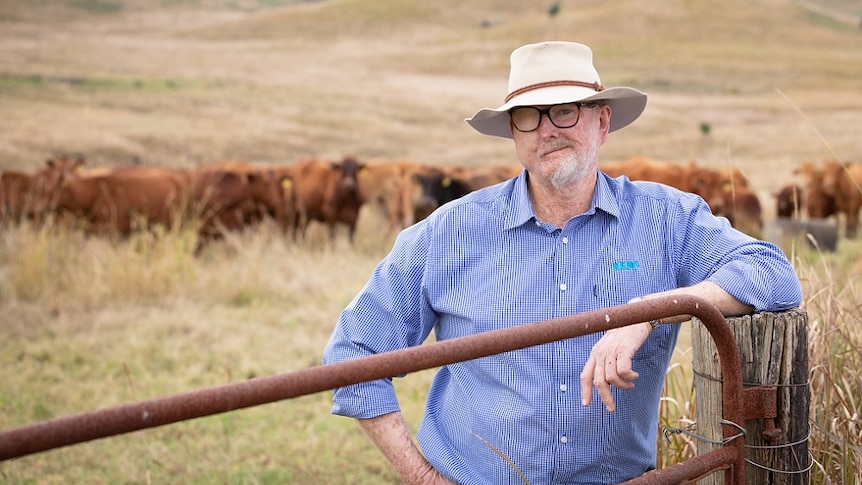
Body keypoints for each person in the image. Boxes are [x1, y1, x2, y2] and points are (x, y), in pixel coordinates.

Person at [322, 41, 802, 484]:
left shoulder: (665, 219)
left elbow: (773, 274)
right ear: (514, 132)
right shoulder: (449, 232)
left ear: (602, 122)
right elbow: (353, 352)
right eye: (529, 116)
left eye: (566, 111)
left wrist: (650, 311)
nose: (548, 128)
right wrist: (423, 478)